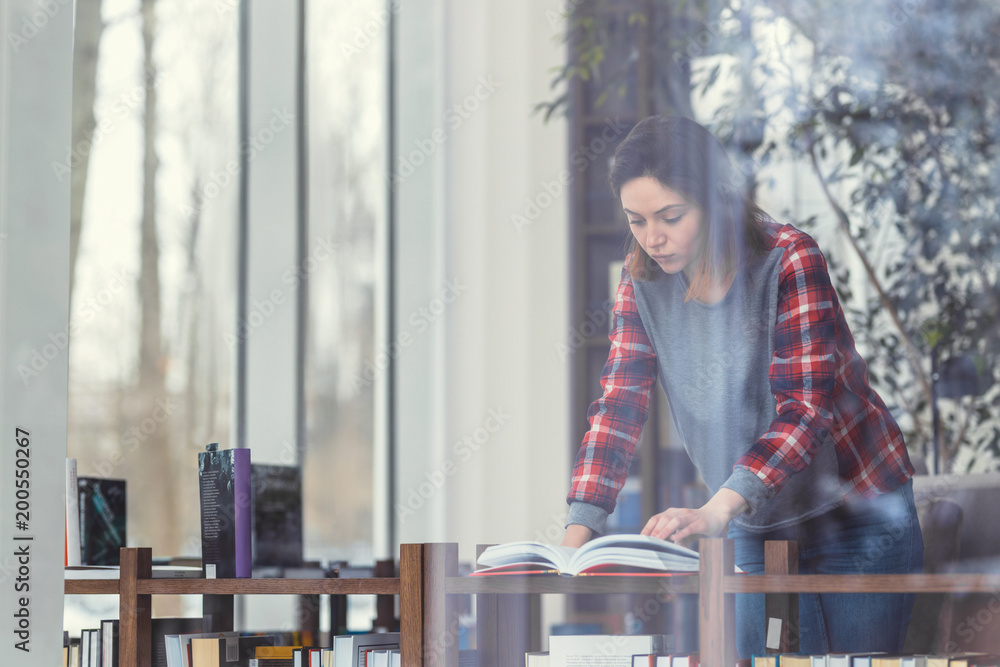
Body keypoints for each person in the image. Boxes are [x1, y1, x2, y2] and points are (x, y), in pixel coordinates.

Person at [561, 115, 924, 658]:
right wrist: (575, 541)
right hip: (756, 517)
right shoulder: (641, 279)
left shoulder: (788, 258)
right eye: (635, 220)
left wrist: (715, 511)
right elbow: (619, 406)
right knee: (771, 658)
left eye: (671, 216)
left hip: (857, 511)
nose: (652, 237)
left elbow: (804, 411)